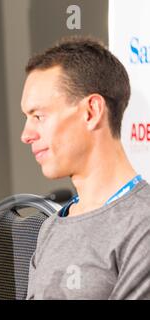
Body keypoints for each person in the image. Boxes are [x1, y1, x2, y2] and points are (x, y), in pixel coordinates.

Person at [20, 36, 150, 299]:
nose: (26, 134)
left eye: (38, 116)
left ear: (91, 112)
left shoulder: (142, 225)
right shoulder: (52, 227)